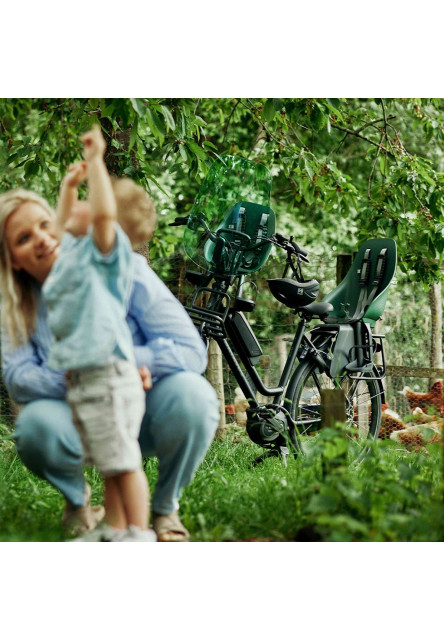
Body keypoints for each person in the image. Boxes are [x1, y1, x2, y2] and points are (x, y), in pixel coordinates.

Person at [0, 132, 219, 542]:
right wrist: (74, 375)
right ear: (11, 258)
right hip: (81, 397)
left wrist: (128, 364)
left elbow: (191, 350)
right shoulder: (20, 300)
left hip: (131, 390)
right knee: (46, 431)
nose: (44, 238)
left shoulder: (106, 260)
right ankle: (96, 517)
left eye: (45, 225)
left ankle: (151, 520)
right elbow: (18, 376)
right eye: (24, 238)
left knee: (182, 407)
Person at [41, 126, 156, 542]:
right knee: (110, 460)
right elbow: (58, 226)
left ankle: (139, 533)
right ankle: (113, 527)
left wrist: (95, 164)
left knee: (124, 462)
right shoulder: (73, 250)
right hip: (87, 377)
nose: (85, 204)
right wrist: (69, 187)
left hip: (109, 376)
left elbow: (105, 216)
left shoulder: (106, 256)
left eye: (92, 199)